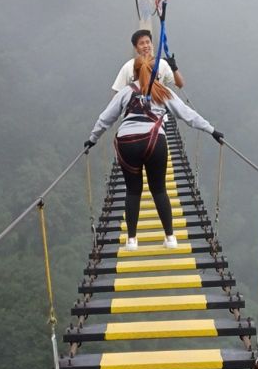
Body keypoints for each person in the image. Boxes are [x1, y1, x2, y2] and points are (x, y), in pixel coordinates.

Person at [87, 56, 223, 250]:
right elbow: (188, 115)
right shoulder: (163, 91)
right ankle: (170, 238)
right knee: (159, 189)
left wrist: (92, 140)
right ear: (156, 74)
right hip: (154, 141)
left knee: (133, 191)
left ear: (133, 73)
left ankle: (132, 240)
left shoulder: (125, 92)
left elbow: (104, 119)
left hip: (128, 143)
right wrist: (212, 131)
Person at [111, 29, 185, 94]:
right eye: (141, 43)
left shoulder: (162, 64)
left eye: (148, 42)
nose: (146, 46)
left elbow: (180, 84)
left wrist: (174, 68)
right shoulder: (128, 66)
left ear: (152, 44)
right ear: (136, 48)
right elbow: (117, 92)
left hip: (157, 105)